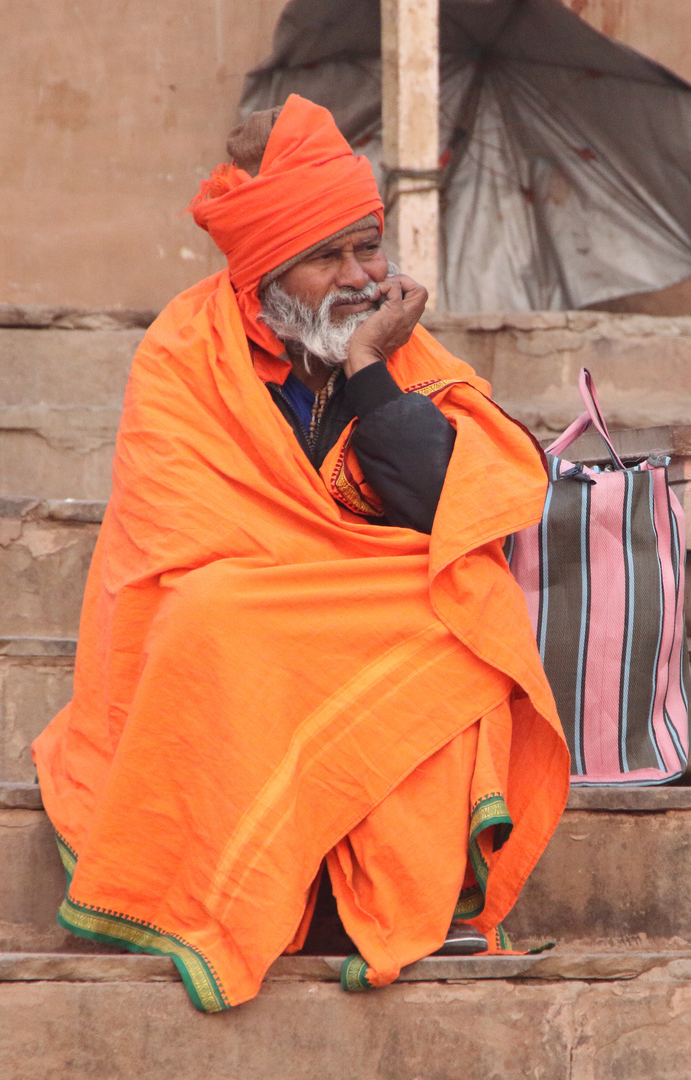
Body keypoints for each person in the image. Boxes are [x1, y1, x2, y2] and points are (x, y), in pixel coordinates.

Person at [31, 94, 570, 1013]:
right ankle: (232, 889)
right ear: (268, 276)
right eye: (329, 256)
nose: (361, 275)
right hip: (247, 609)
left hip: (356, 612)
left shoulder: (399, 349)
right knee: (215, 616)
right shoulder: (183, 354)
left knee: (463, 610)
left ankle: (410, 896)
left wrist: (366, 369)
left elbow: (452, 510)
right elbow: (181, 544)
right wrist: (300, 580)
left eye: (369, 246)